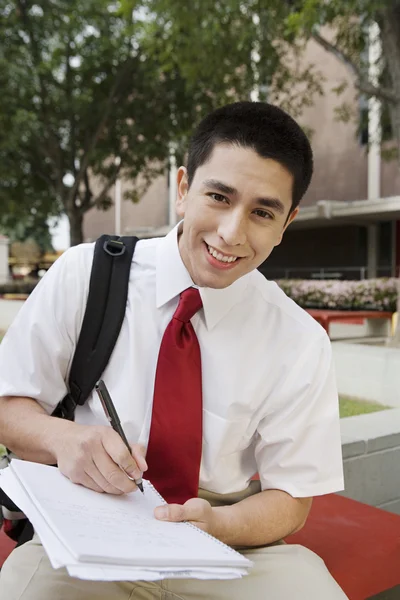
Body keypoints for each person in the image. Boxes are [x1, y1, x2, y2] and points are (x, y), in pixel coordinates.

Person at [0, 101, 347, 599]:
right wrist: (63, 441)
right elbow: (8, 406)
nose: (232, 233)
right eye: (219, 197)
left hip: (227, 539)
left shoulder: (299, 338)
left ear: (286, 223)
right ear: (183, 189)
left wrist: (217, 525)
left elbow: (291, 497)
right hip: (90, 523)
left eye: (262, 212)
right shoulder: (84, 274)